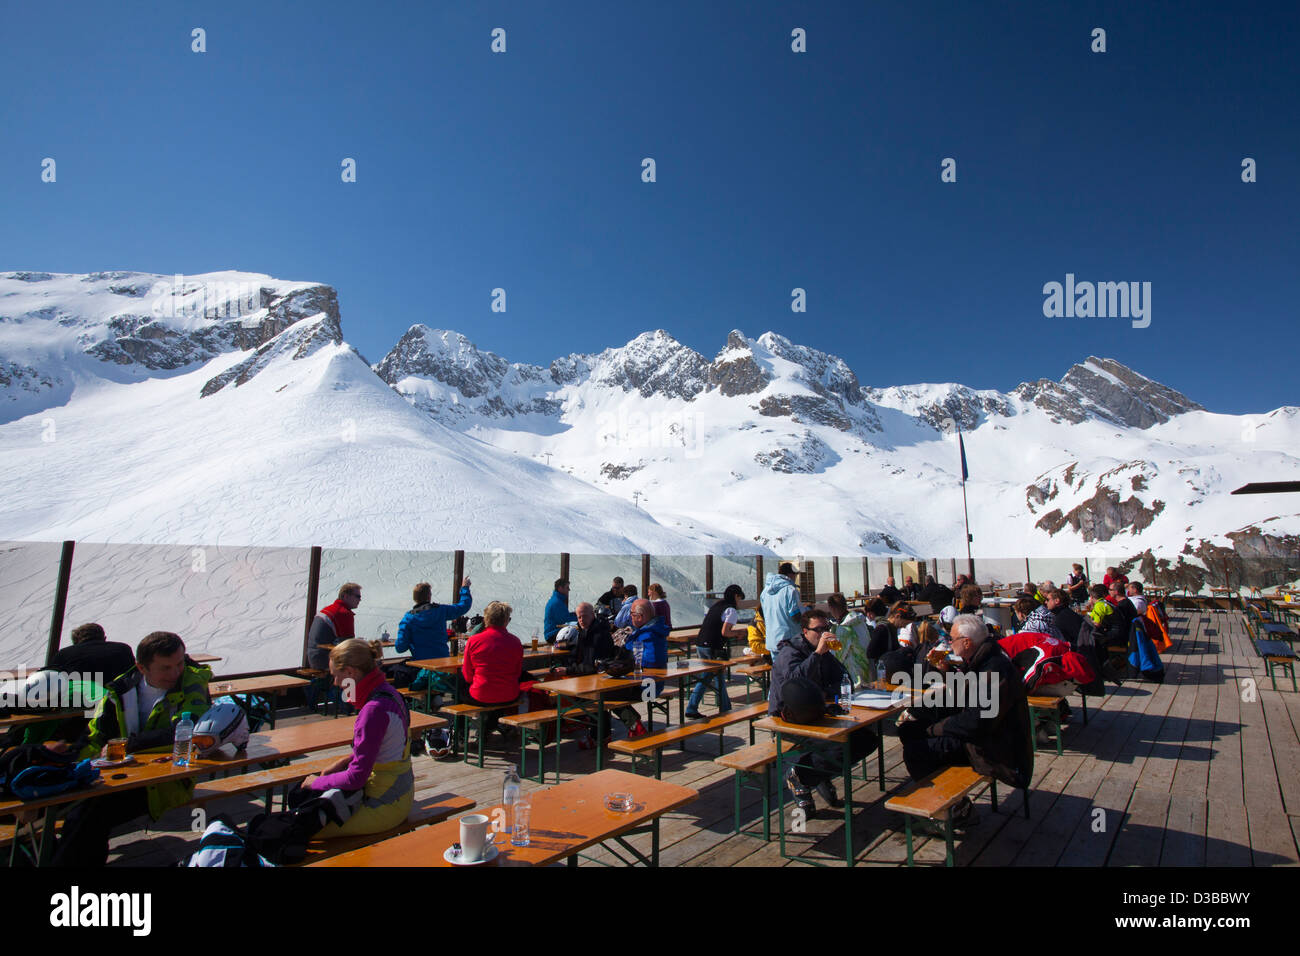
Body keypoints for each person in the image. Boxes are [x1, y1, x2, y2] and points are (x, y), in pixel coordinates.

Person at [52, 631, 212, 866]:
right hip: (123, 775)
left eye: (179, 663)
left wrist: (129, 745)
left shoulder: (193, 683)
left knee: (90, 811)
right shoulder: (120, 690)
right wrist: (67, 760)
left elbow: (187, 731)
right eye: (165, 668)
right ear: (141, 667)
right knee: (59, 803)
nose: (176, 672)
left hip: (166, 781)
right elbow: (96, 735)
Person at [897, 614, 1033, 824]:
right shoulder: (987, 657)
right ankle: (948, 798)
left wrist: (934, 729)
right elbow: (966, 697)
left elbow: (976, 721)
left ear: (967, 642)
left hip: (995, 749)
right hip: (989, 736)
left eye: (952, 639)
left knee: (915, 750)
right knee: (908, 730)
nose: (949, 643)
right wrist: (946, 671)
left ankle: (957, 810)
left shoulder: (993, 669)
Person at [769, 608, 879, 813]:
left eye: (826, 628)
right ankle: (801, 776)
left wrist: (827, 692)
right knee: (839, 744)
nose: (823, 633)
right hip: (788, 718)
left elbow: (844, 678)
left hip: (818, 712)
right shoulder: (790, 652)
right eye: (818, 629)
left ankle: (815, 774)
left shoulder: (824, 652)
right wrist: (818, 653)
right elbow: (793, 685)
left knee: (866, 738)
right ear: (804, 631)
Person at [301, 638, 413, 837]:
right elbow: (384, 750)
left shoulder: (373, 711)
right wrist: (345, 761)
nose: (335, 683)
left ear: (351, 673)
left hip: (383, 805)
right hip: (400, 795)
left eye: (337, 676)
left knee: (302, 829)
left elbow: (355, 778)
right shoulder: (390, 694)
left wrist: (315, 782)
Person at [549, 602, 644, 745]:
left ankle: (601, 734)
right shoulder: (585, 631)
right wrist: (565, 664)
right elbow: (580, 656)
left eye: (584, 616)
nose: (581, 620)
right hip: (597, 677)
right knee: (596, 697)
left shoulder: (598, 634)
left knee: (588, 698)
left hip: (603, 677)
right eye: (579, 617)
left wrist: (569, 669)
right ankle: (615, 730)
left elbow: (593, 665)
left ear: (592, 615)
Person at [394, 579, 472, 697]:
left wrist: (412, 640)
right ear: (429, 596)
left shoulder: (408, 618)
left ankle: (420, 701)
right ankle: (435, 698)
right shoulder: (440, 610)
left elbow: (400, 647)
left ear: (415, 597)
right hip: (443, 665)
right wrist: (465, 588)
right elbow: (463, 607)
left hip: (421, 666)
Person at [460, 601, 526, 736]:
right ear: (506, 620)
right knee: (497, 695)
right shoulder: (516, 641)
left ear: (486, 618)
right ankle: (490, 726)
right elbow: (517, 672)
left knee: (460, 691)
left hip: (481, 693)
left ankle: (460, 734)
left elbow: (467, 675)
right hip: (510, 694)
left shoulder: (474, 641)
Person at [686, 585, 742, 718]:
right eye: (739, 598)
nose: (739, 601)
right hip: (712, 646)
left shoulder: (717, 605)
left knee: (713, 676)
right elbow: (725, 632)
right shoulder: (731, 610)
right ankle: (693, 708)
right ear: (735, 596)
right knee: (712, 677)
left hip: (701, 643)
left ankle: (724, 707)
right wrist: (738, 633)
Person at [47, 623, 135, 684]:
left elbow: (49, 679)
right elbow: (134, 675)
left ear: (75, 641)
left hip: (78, 704)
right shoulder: (123, 649)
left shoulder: (64, 654)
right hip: (119, 701)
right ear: (104, 638)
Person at [308, 583, 361, 671]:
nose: (360, 600)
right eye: (357, 596)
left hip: (314, 658)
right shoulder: (343, 613)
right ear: (345, 596)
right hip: (326, 660)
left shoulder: (329, 609)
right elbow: (348, 644)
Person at [826, 592, 871, 685]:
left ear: (832, 608)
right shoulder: (859, 621)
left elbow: (837, 657)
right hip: (867, 670)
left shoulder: (844, 628)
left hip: (855, 677)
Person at [760, 562, 804, 655]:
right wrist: (807, 610)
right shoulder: (790, 590)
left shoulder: (765, 592)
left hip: (772, 641)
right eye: (795, 575)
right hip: (789, 641)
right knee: (791, 668)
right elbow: (796, 616)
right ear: (790, 575)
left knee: (777, 668)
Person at [543, 578, 578, 644]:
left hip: (553, 633)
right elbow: (565, 620)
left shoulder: (557, 600)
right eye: (567, 587)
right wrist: (580, 617)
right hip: (552, 634)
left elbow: (564, 616)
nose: (569, 590)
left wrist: (576, 614)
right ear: (560, 588)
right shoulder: (557, 603)